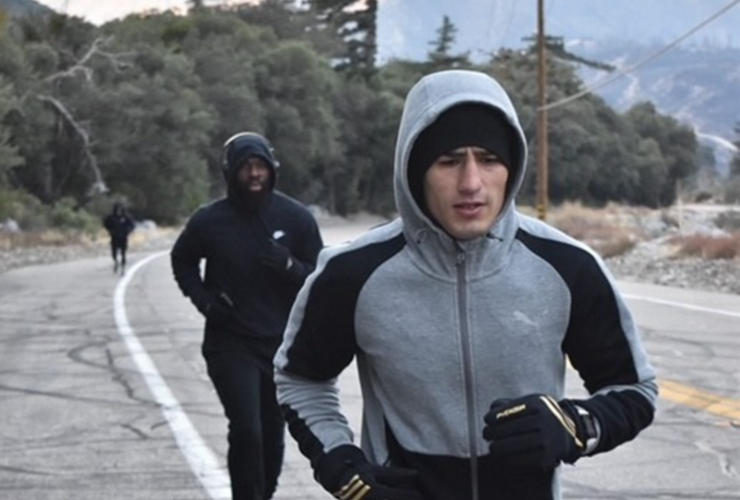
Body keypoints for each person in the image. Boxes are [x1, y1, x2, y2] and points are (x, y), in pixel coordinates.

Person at [273, 69, 658, 500]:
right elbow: (300, 379)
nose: (472, 182)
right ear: (415, 169)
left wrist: (576, 425)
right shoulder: (354, 272)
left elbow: (634, 390)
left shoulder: (568, 267)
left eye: (489, 159)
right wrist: (341, 465)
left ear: (511, 168)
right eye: (450, 160)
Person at [171, 132, 324, 500]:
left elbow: (320, 279)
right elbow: (182, 260)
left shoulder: (296, 218)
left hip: (280, 346)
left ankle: (262, 494)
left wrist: (289, 265)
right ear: (231, 172)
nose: (254, 174)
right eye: (246, 167)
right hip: (230, 343)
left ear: (273, 170)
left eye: (261, 166)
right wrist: (206, 302)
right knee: (247, 430)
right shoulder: (210, 221)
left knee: (272, 434)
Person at [103, 202, 135, 275]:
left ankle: (123, 268)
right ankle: (116, 262)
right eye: (117, 209)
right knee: (114, 253)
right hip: (114, 237)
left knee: (123, 253)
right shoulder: (111, 218)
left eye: (120, 210)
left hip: (123, 237)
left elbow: (132, 225)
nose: (118, 211)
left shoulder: (126, 217)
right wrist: (110, 231)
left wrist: (128, 231)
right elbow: (106, 224)